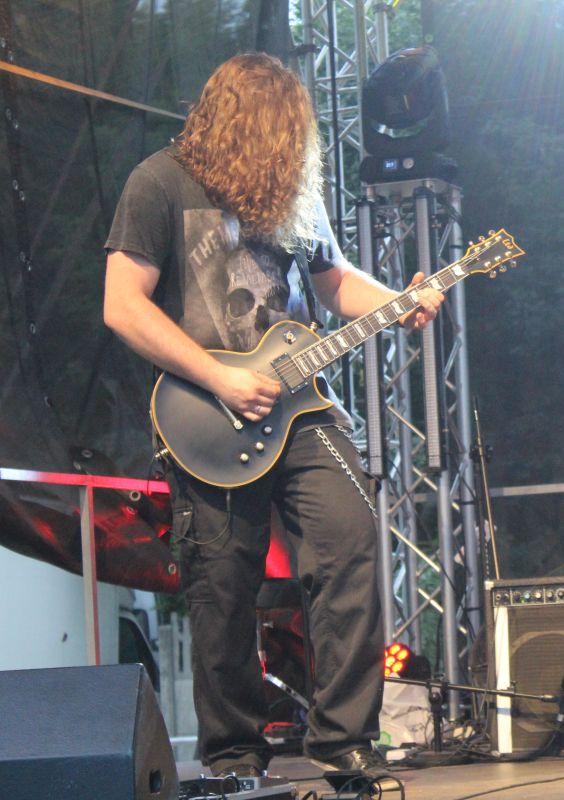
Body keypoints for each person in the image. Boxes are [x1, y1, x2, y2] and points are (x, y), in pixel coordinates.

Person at [103, 53, 443, 785]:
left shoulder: (291, 192)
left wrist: (400, 302)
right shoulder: (157, 183)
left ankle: (344, 739)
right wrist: (218, 376)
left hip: (303, 408)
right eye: (281, 132)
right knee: (223, 584)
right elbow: (122, 306)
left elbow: (334, 282)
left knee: (351, 542)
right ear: (241, 124)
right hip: (206, 413)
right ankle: (235, 756)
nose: (293, 147)